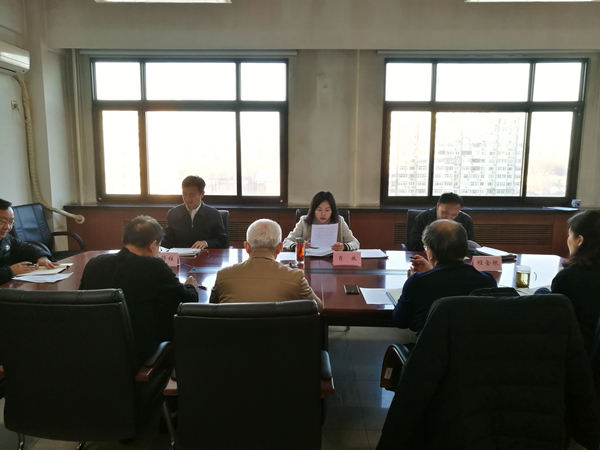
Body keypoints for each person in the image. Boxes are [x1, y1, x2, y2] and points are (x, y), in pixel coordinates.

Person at [79, 215, 199, 363]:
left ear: (123, 240)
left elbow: (81, 304)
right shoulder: (154, 267)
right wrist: (190, 286)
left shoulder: (94, 263)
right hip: (137, 355)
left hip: (93, 350)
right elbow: (186, 304)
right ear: (153, 245)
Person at [393, 219, 497, 340]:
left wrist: (421, 277)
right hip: (474, 349)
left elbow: (400, 321)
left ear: (431, 253)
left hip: (432, 350)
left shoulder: (418, 282)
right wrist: (432, 270)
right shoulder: (487, 280)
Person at [210, 219, 323, 311]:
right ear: (279, 248)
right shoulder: (295, 277)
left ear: (246, 247)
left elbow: (212, 309)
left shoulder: (223, 275)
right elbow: (319, 308)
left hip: (234, 333)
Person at [540, 210, 600, 355]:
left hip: (576, 352)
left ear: (580, 240)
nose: (568, 240)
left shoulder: (570, 277)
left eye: (569, 235)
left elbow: (555, 322)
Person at [0, 198, 57, 285]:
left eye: (11, 222)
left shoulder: (6, 238)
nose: (7, 227)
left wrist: (41, 257)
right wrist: (10, 271)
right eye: (2, 221)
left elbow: (26, 248)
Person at [162, 175, 227, 250]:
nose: (187, 199)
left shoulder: (213, 214)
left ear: (202, 194)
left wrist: (206, 243)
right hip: (180, 255)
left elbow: (222, 241)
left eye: (192, 195)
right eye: (184, 194)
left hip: (204, 255)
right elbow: (168, 241)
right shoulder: (173, 213)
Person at [283, 191, 359, 252]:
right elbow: (287, 241)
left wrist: (344, 247)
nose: (323, 214)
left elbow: (355, 243)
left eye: (327, 210)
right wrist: (299, 246)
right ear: (313, 210)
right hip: (309, 260)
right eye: (319, 210)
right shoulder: (304, 221)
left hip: (333, 261)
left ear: (332, 211)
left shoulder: (339, 221)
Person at [408, 192, 475, 251]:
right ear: (438, 206)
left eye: (454, 214)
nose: (449, 218)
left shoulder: (465, 220)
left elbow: (470, 245)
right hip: (428, 256)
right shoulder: (423, 218)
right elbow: (416, 246)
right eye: (445, 213)